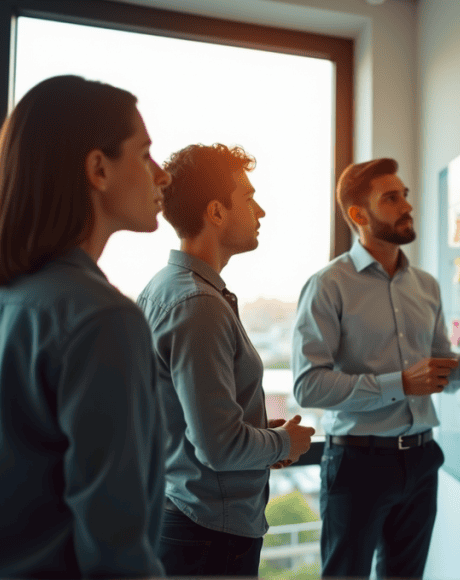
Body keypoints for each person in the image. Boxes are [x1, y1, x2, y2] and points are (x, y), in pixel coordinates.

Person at [0, 75, 170, 577]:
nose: (160, 174)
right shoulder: (103, 320)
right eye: (144, 154)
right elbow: (115, 541)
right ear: (99, 168)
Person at [292, 157, 460, 578]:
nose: (406, 206)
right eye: (392, 198)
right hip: (357, 465)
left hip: (421, 460)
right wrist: (398, 383)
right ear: (358, 215)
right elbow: (308, 386)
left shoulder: (426, 286)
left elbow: (445, 377)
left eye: (406, 196)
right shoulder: (328, 285)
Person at [137, 143, 316, 576]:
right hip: (206, 535)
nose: (261, 211)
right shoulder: (197, 303)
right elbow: (218, 447)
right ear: (216, 212)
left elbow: (187, 423)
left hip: (186, 520)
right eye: (249, 197)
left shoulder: (166, 289)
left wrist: (258, 434)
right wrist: (283, 444)